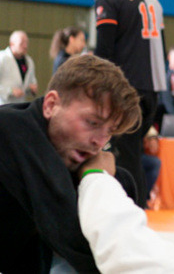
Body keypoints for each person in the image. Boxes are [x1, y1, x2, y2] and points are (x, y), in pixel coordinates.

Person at [0, 53, 141, 272]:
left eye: (110, 132)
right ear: (51, 105)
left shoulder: (61, 150)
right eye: (92, 122)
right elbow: (75, 239)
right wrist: (98, 178)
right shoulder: (10, 130)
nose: (99, 142)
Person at [93, 0, 168, 207]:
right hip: (153, 90)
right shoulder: (153, 0)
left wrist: (98, 90)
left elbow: (104, 52)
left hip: (126, 90)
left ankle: (130, 209)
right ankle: (139, 207)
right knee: (133, 153)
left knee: (123, 156)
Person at [0, 29, 38, 104]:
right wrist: (10, 91)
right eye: (22, 43)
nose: (25, 46)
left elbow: (32, 80)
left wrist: (32, 88)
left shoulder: (29, 61)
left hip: (20, 105)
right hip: (3, 104)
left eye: (26, 43)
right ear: (12, 44)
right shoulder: (2, 58)